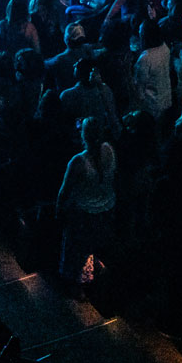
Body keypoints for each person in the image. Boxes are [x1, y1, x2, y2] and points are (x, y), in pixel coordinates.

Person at [55, 116, 116, 290]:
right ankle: (95, 279)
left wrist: (58, 211)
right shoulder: (110, 150)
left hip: (84, 213)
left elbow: (64, 191)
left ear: (83, 135)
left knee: (77, 250)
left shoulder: (78, 161)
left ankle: (75, 285)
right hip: (106, 209)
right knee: (94, 245)